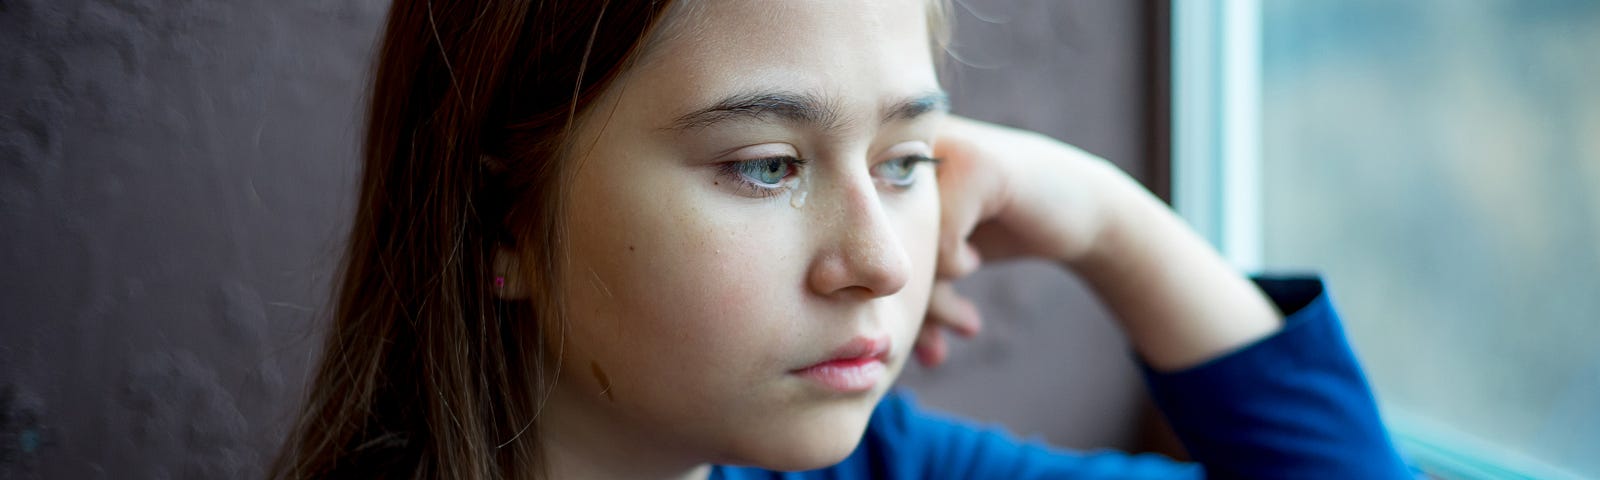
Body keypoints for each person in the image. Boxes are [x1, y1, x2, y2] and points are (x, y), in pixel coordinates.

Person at [270, 0, 1413, 478]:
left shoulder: (881, 464)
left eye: (903, 162)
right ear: (496, 224)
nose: (879, 260)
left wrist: (1104, 218)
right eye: (765, 166)